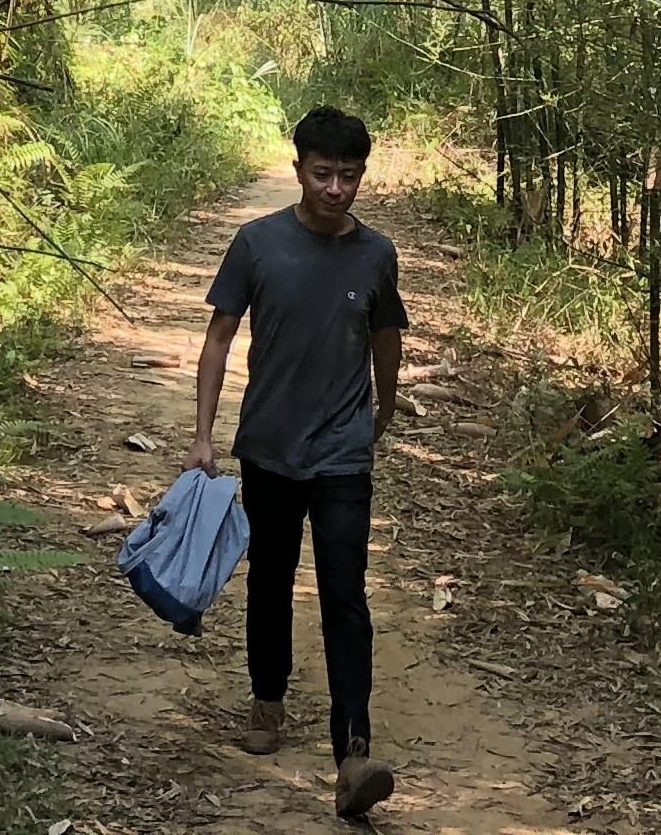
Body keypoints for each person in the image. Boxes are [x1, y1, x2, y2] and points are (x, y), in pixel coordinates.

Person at [191, 104, 406, 819]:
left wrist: (387, 404)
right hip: (270, 448)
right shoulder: (257, 245)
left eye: (349, 176)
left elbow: (385, 333)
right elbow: (219, 338)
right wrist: (203, 434)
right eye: (324, 174)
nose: (337, 188)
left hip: (344, 451)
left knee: (346, 592)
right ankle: (267, 701)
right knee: (271, 581)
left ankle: (354, 748)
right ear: (299, 171)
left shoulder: (375, 254)